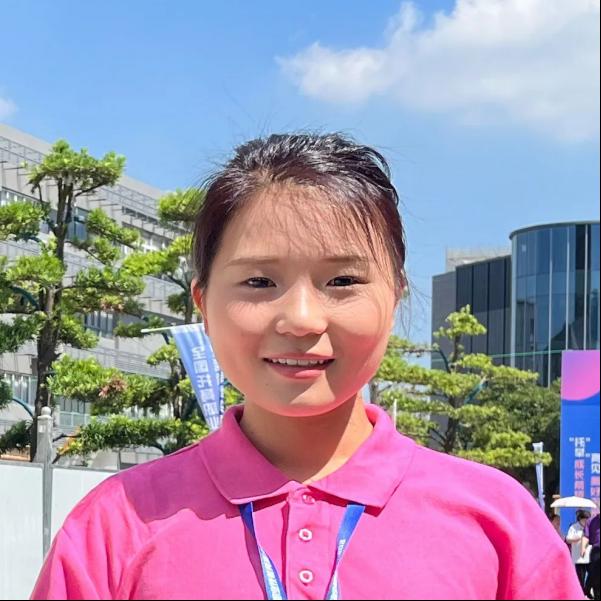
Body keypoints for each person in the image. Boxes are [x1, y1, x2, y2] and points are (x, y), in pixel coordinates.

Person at [31, 133, 584, 600]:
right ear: (203, 304)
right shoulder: (115, 526)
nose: (300, 318)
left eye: (342, 281)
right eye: (258, 282)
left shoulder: (498, 522)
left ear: (394, 298)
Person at [566, 510, 591, 595]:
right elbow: (568, 539)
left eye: (588, 519)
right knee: (581, 578)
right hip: (578, 558)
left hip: (589, 556)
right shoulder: (573, 527)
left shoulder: (590, 526)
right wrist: (578, 537)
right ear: (580, 519)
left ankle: (587, 590)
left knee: (593, 575)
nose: (586, 521)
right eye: (585, 519)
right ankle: (581, 594)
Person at [582, 513, 600, 600]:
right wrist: (583, 547)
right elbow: (586, 536)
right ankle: (597, 596)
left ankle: (587, 588)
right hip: (596, 551)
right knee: (596, 575)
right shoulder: (590, 521)